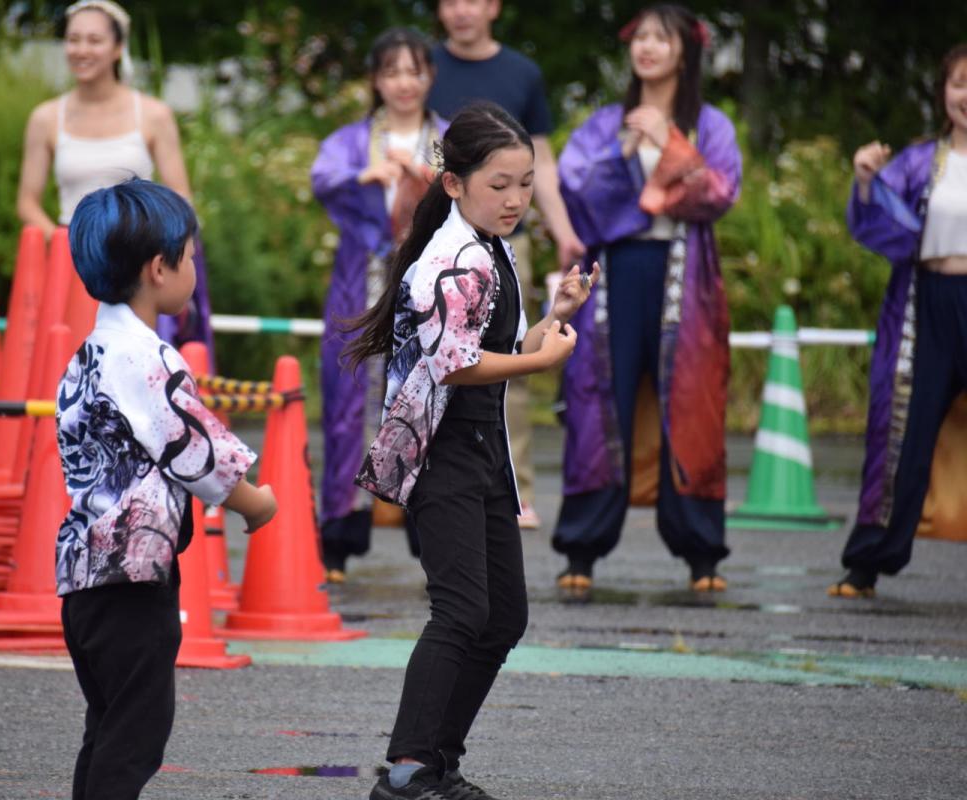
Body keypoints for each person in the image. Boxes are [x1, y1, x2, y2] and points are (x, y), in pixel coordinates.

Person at [348, 102, 596, 800]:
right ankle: (406, 771)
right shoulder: (450, 258)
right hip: (443, 452)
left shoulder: (492, 247)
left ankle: (437, 762)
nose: (516, 198)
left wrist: (556, 318)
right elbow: (456, 364)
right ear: (453, 183)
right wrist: (541, 364)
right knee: (460, 612)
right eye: (499, 184)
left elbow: (497, 349)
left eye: (525, 182)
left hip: (482, 448)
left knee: (504, 616)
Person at [54, 179, 278, 799]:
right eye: (190, 257)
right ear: (159, 269)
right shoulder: (149, 357)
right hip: (131, 578)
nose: (194, 268)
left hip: (84, 575)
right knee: (137, 734)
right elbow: (192, 447)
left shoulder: (90, 353)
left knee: (108, 726)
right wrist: (254, 499)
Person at [552, 4, 742, 594]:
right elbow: (575, 189)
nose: (649, 48)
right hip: (616, 274)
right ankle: (581, 550)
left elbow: (720, 191)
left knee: (690, 403)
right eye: (642, 38)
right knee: (597, 401)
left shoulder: (709, 124)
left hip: (685, 277)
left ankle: (701, 555)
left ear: (685, 50)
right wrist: (627, 152)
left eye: (662, 39)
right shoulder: (607, 125)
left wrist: (672, 145)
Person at [426, 0, 588, 529]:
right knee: (430, 363)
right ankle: (413, 477)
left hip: (503, 239)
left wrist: (563, 230)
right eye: (450, 1)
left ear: (494, 6)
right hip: (438, 235)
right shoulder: (424, 67)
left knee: (507, 352)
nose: (461, 11)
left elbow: (538, 161)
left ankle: (512, 486)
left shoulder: (521, 73)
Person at [830, 43, 967, 598]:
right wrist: (865, 179)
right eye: (960, 83)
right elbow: (879, 220)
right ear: (944, 92)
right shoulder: (918, 161)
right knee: (903, 432)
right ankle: (868, 562)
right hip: (926, 304)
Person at [312, 28, 448, 583]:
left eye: (414, 71)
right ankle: (341, 537)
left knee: (432, 401)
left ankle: (433, 539)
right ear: (376, 80)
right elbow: (324, 177)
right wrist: (362, 177)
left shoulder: (445, 138)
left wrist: (429, 181)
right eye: (391, 72)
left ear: (429, 77)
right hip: (362, 283)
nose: (403, 83)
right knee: (349, 405)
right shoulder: (352, 141)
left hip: (432, 286)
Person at [16, 0, 212, 348]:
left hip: (139, 263)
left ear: (119, 47)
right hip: (71, 261)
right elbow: (27, 203)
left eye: (94, 40)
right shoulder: (45, 118)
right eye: (73, 39)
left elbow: (180, 198)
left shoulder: (153, 115)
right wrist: (73, 247)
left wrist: (163, 252)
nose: (81, 50)